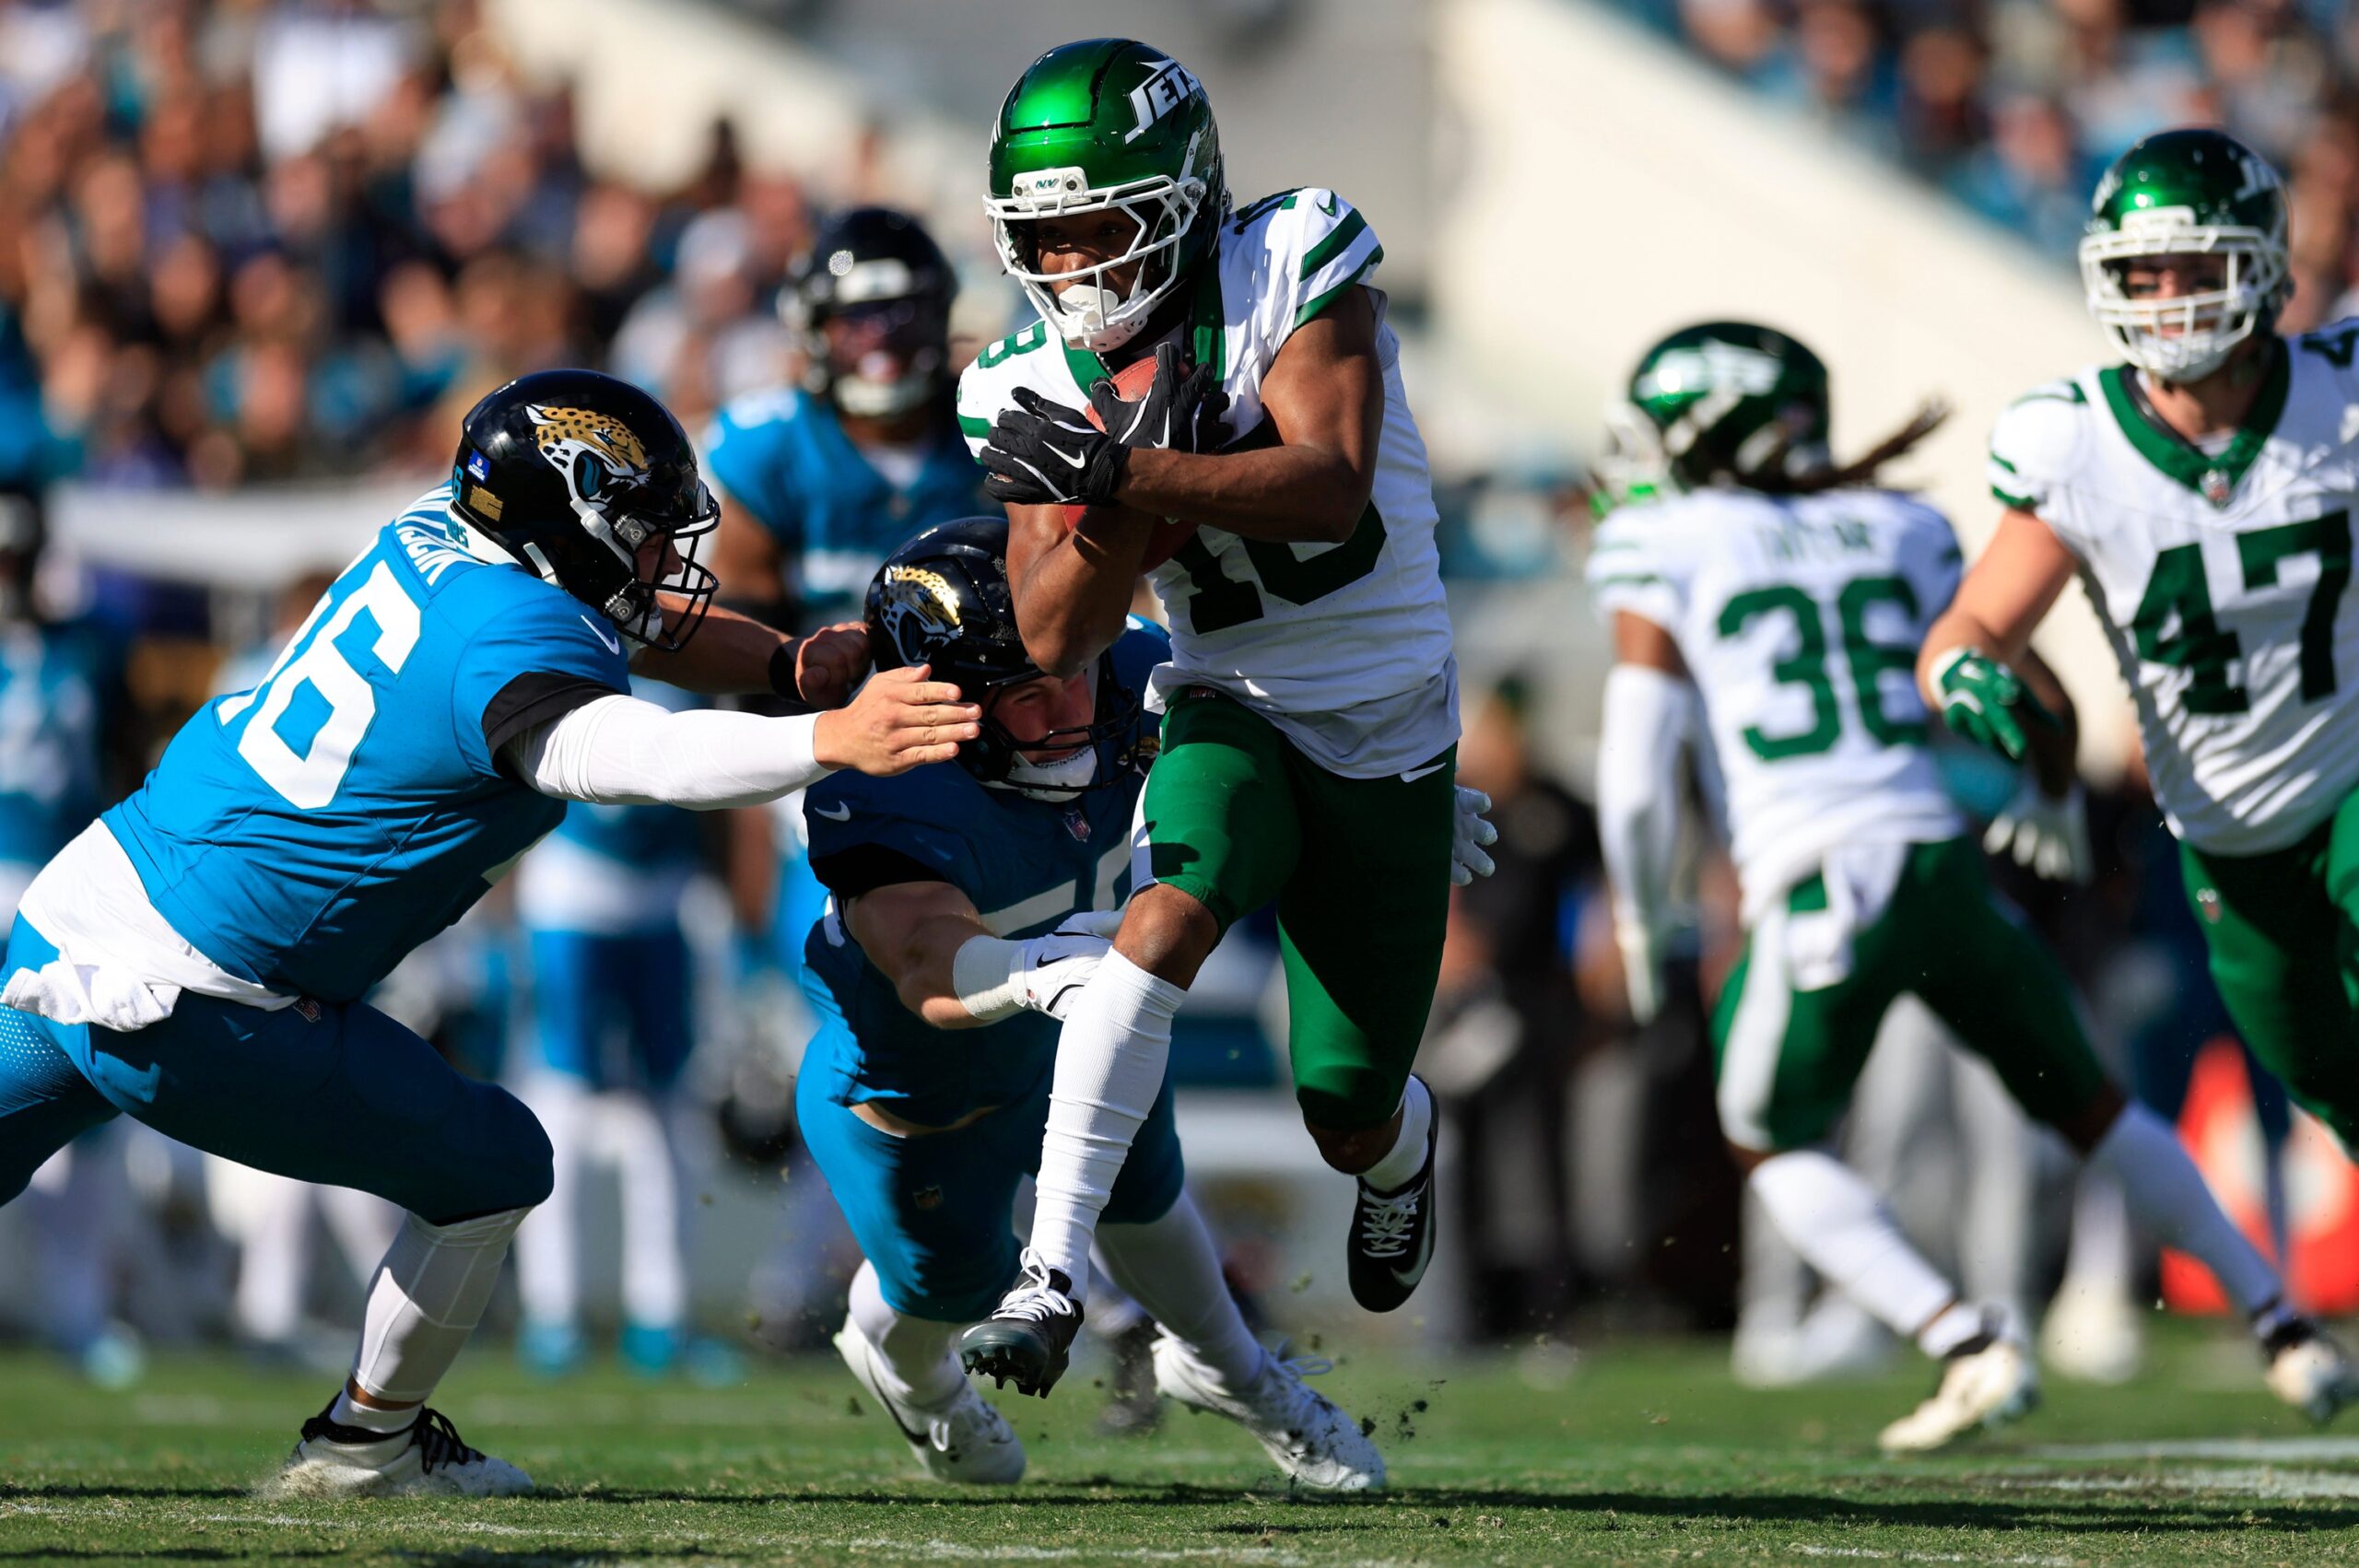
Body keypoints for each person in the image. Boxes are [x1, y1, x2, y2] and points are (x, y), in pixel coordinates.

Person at [0, 369, 981, 1497]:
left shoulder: (437, 531)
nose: (667, 554)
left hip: (87, 904)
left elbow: (637, 622)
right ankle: (368, 1444)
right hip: (203, 996)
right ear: (570, 514)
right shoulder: (514, 638)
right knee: (494, 1163)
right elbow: (632, 755)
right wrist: (826, 737)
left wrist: (775, 665)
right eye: (646, 527)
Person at [1590, 319, 2356, 1452]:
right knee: (2093, 1108)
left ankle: (1962, 1337)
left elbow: (1636, 762)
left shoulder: (1667, 538)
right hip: (1943, 864)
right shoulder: (1899, 520)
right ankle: (2282, 1320)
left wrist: (1641, 910)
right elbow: (2028, 683)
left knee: (1767, 1137)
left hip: (1817, 883)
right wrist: (2049, 798)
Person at [953, 38, 1496, 1394]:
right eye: (1047, 235)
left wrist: (1131, 468)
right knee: (1160, 917)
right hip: (1225, 696)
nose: (1072, 265)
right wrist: (1100, 503)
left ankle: (1406, 1139)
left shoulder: (1295, 257)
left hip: (1383, 723)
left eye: (1097, 226)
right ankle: (1050, 1274)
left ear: (1183, 195)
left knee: (1346, 1108)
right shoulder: (1023, 376)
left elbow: (1328, 486)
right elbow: (1054, 636)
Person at [794, 518, 1383, 1489]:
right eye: (1031, 693)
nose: (1075, 703)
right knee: (937, 1293)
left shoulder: (1128, 671)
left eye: (1081, 666)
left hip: (1071, 1005)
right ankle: (915, 1382)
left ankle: (1236, 1370)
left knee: (1146, 1188)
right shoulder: (888, 773)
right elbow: (921, 957)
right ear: (949, 701)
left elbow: (1274, 750)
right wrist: (1030, 970)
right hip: (923, 1084)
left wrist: (1384, 804)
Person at [1923, 125, 2359, 1182]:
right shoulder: (2075, 442)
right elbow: (1971, 625)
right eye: (2142, 272)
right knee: (2333, 1084)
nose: (2167, 296)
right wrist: (1962, 673)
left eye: (2195, 268)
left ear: (2258, 262)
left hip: (2347, 774)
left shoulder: (2337, 394)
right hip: (2224, 838)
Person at [511, 677, 713, 1379]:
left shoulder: (695, 677)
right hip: (571, 903)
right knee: (560, 1107)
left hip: (664, 905)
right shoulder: (564, 658)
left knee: (664, 1113)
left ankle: (662, 1316)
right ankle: (552, 1311)